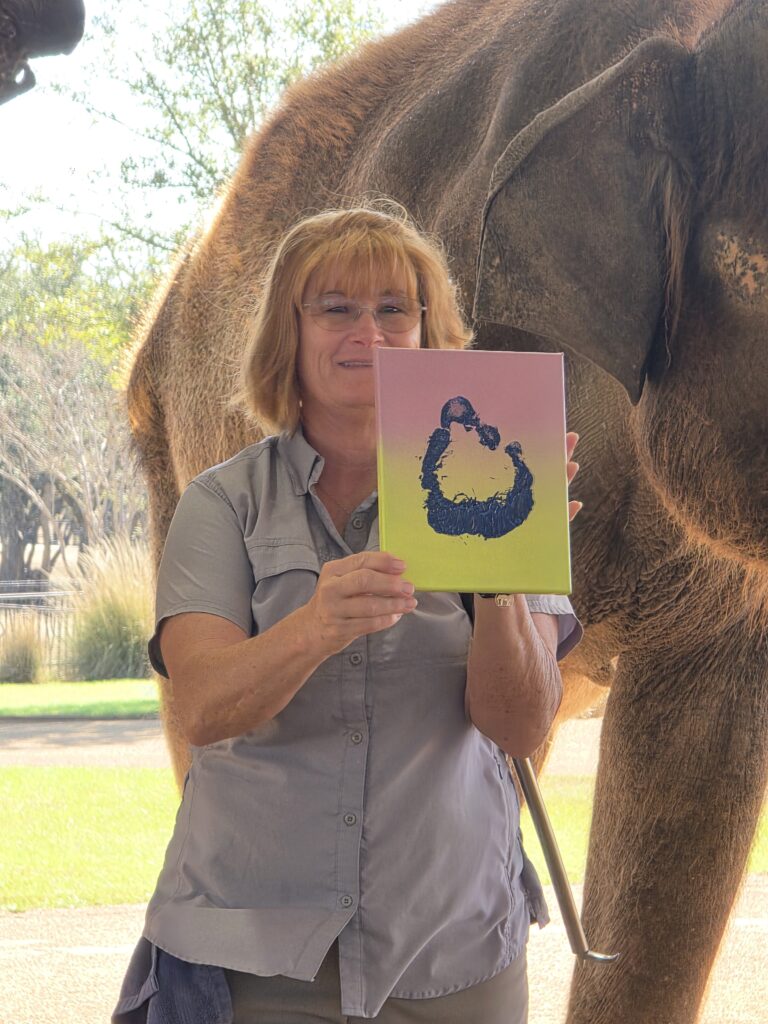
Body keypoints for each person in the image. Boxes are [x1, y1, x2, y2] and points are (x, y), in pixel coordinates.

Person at [113, 205, 583, 1024]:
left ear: (428, 334)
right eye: (336, 307)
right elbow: (204, 707)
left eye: (395, 308)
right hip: (253, 961)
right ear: (287, 338)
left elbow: (519, 725)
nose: (368, 330)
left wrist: (501, 572)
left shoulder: (507, 485)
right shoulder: (223, 503)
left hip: (453, 959)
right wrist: (314, 626)